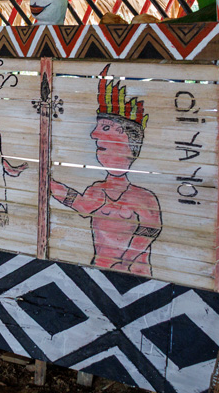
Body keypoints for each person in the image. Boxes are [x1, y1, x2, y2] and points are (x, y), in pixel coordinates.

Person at [49, 65, 162, 275]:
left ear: (125, 137)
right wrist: (48, 183)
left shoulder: (144, 197)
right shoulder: (97, 191)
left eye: (106, 128)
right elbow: (80, 204)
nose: (93, 135)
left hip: (134, 275)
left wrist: (125, 260)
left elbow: (151, 229)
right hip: (100, 269)